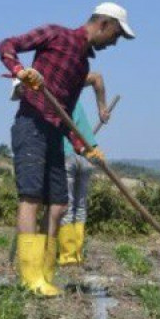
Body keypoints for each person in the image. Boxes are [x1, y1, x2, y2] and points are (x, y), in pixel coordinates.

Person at [0, 2, 134, 297]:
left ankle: (46, 271)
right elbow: (7, 45)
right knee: (31, 197)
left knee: (59, 205)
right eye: (116, 35)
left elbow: (67, 114)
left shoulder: (82, 65)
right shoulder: (56, 35)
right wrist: (21, 71)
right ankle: (30, 277)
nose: (114, 42)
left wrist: (85, 149)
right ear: (104, 25)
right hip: (31, 124)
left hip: (54, 132)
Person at [57, 72, 109, 266]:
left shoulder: (54, 102)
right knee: (80, 207)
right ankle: (77, 254)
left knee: (67, 207)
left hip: (66, 155)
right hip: (87, 157)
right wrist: (102, 109)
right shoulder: (74, 100)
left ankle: (68, 256)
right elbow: (97, 78)